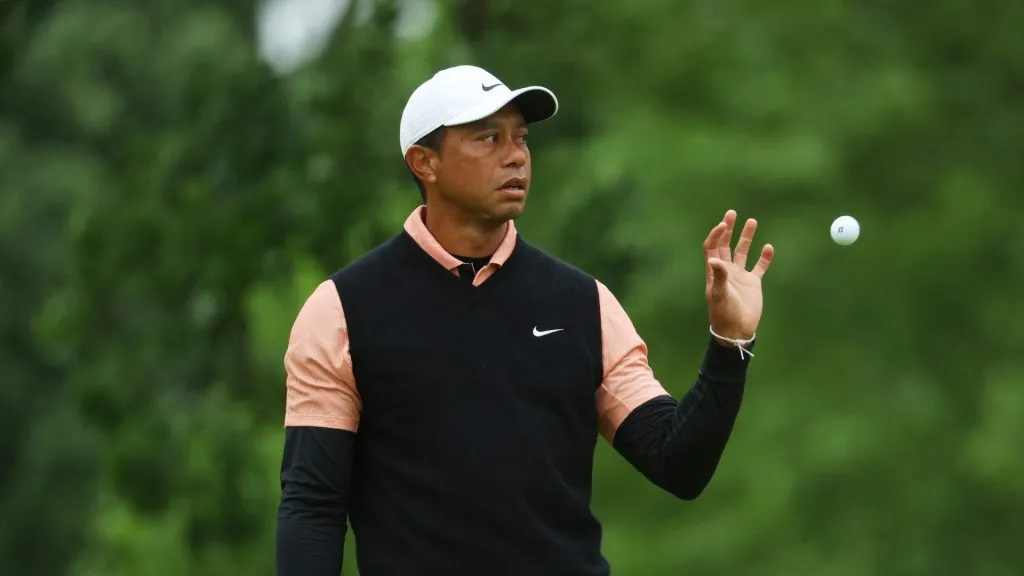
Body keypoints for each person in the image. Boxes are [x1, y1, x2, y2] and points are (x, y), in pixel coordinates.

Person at [275, 65, 775, 576]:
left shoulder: (584, 304)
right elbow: (314, 507)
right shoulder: (341, 310)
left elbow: (678, 463)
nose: (515, 155)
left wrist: (730, 343)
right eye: (488, 138)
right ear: (425, 162)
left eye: (521, 139)